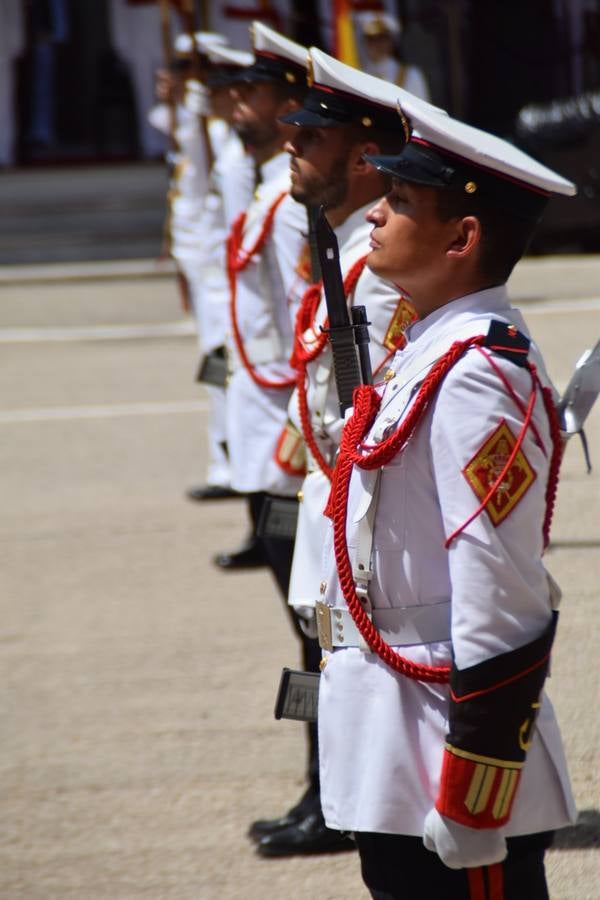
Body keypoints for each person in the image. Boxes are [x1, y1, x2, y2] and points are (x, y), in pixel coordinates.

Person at [315, 101, 577, 897]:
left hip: (443, 751)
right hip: (393, 738)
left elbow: (501, 590)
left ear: (461, 239)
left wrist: (475, 791)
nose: (377, 213)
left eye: (400, 203)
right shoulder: (425, 348)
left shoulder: (476, 374)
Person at [250, 47, 433, 858]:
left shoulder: (380, 266)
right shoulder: (344, 245)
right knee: (317, 642)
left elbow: (377, 401)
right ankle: (326, 793)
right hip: (330, 483)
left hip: (355, 496)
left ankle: (342, 801)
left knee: (341, 649)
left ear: (362, 157)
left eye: (310, 139)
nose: (292, 147)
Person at [215, 21, 310, 572]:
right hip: (259, 385)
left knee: (291, 548)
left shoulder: (289, 197)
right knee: (275, 539)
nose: (236, 105)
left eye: (251, 95)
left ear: (287, 106)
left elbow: (306, 303)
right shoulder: (268, 185)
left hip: (282, 393)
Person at [356, 11, 431, 102]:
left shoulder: (411, 75)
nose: (376, 44)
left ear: (391, 42)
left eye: (381, 39)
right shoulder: (360, 75)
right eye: (371, 39)